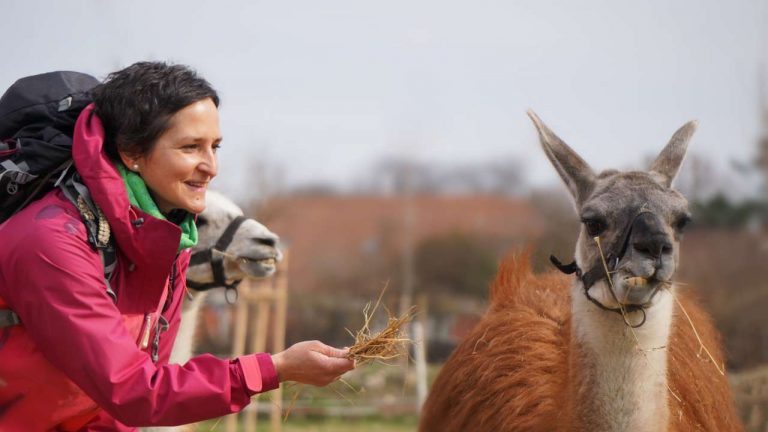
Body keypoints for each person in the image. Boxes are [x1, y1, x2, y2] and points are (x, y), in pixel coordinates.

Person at [0, 62, 355, 431]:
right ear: (131, 152)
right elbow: (133, 390)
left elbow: (128, 396)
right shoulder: (52, 241)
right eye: (191, 147)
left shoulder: (168, 239)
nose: (211, 166)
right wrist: (275, 369)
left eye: (214, 147)